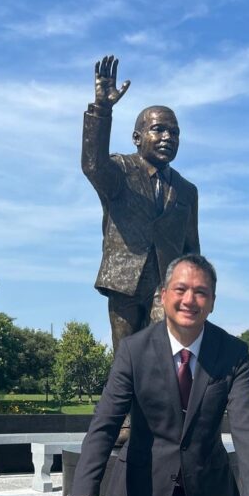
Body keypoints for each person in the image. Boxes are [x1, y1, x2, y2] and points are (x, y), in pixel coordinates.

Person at [45, 254, 249, 496]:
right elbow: (105, 424)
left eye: (200, 292)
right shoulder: (133, 351)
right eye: (181, 289)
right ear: (163, 296)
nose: (189, 300)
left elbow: (246, 427)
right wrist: (83, 495)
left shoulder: (233, 353)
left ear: (212, 302)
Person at [82, 54, 200, 353]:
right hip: (124, 280)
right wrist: (102, 110)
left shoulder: (187, 191)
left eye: (174, 132)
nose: (167, 137)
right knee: (126, 356)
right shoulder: (120, 171)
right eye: (158, 129)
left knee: (163, 351)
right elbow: (93, 165)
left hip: (168, 286)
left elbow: (191, 247)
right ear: (137, 137)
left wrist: (197, 288)